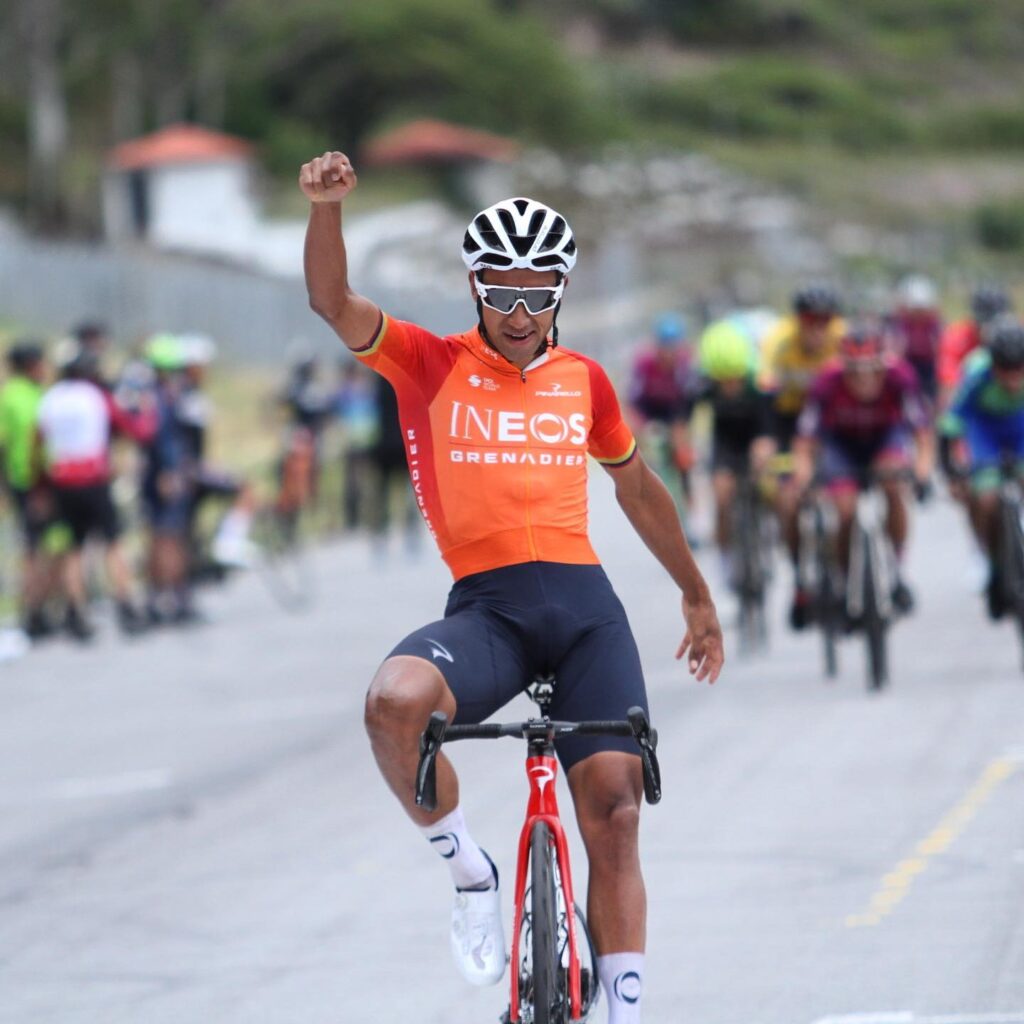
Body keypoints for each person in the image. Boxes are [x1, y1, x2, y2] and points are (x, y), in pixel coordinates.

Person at [300, 150, 724, 1024]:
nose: (521, 313)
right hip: (490, 611)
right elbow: (333, 302)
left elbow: (637, 488)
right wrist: (326, 211)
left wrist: (695, 592)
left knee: (615, 815)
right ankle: (471, 873)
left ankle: (624, 1014)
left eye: (539, 293)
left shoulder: (584, 380)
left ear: (561, 292)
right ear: (475, 288)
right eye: (503, 292)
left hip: (586, 615)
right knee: (393, 703)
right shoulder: (427, 362)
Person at [791, 324, 934, 624]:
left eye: (872, 371)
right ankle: (844, 579)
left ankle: (898, 569)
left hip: (884, 439)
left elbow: (922, 433)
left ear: (883, 365)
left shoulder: (901, 377)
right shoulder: (826, 382)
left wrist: (922, 473)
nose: (864, 379)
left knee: (893, 484)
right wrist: (803, 480)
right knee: (844, 510)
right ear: (844, 367)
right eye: (855, 372)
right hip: (841, 445)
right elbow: (805, 442)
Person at [36, 347, 153, 639]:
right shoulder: (97, 396)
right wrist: (146, 411)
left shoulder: (51, 398)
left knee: (74, 548)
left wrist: (41, 485)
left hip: (62, 480)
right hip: (93, 479)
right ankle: (126, 604)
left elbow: (37, 443)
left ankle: (77, 611)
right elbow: (134, 430)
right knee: (113, 543)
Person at [759, 283, 845, 620]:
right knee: (787, 499)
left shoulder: (842, 340)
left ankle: (846, 573)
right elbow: (766, 397)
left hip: (829, 422)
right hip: (787, 422)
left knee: (842, 496)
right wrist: (767, 441)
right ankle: (798, 577)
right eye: (810, 321)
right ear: (798, 321)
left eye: (825, 321)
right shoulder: (779, 343)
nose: (818, 329)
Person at [940, 316, 1024, 619]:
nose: (1012, 379)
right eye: (1005, 370)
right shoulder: (976, 374)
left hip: (1020, 428)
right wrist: (952, 471)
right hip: (985, 433)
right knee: (985, 497)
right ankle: (989, 557)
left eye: (1018, 370)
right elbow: (951, 423)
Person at [686, 319, 774, 586]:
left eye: (735, 378)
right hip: (724, 444)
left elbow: (771, 424)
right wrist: (684, 449)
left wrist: (766, 447)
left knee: (769, 484)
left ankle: (766, 535)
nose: (730, 385)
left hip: (755, 436)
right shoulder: (703, 386)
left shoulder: (759, 383)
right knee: (722, 495)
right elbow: (683, 420)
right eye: (722, 380)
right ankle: (725, 557)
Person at [0, 341, 55, 638]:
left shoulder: (38, 393)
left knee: (46, 546)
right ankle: (32, 611)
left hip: (45, 481)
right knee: (33, 548)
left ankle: (42, 607)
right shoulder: (13, 396)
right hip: (28, 483)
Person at [627, 313, 696, 518]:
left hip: (675, 412)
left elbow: (689, 399)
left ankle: (687, 503)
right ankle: (650, 492)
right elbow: (633, 401)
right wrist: (640, 428)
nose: (669, 354)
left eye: (673, 348)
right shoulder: (645, 364)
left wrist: (682, 431)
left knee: (682, 454)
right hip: (649, 412)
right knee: (643, 447)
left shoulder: (685, 363)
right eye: (665, 348)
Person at [937, 284, 1012, 410]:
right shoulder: (957, 337)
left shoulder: (1017, 335)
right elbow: (949, 387)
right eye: (984, 322)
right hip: (970, 402)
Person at [887, 275, 943, 403]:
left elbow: (940, 349)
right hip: (908, 365)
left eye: (922, 309)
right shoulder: (900, 324)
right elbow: (895, 350)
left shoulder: (935, 325)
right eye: (915, 309)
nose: (919, 313)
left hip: (930, 368)